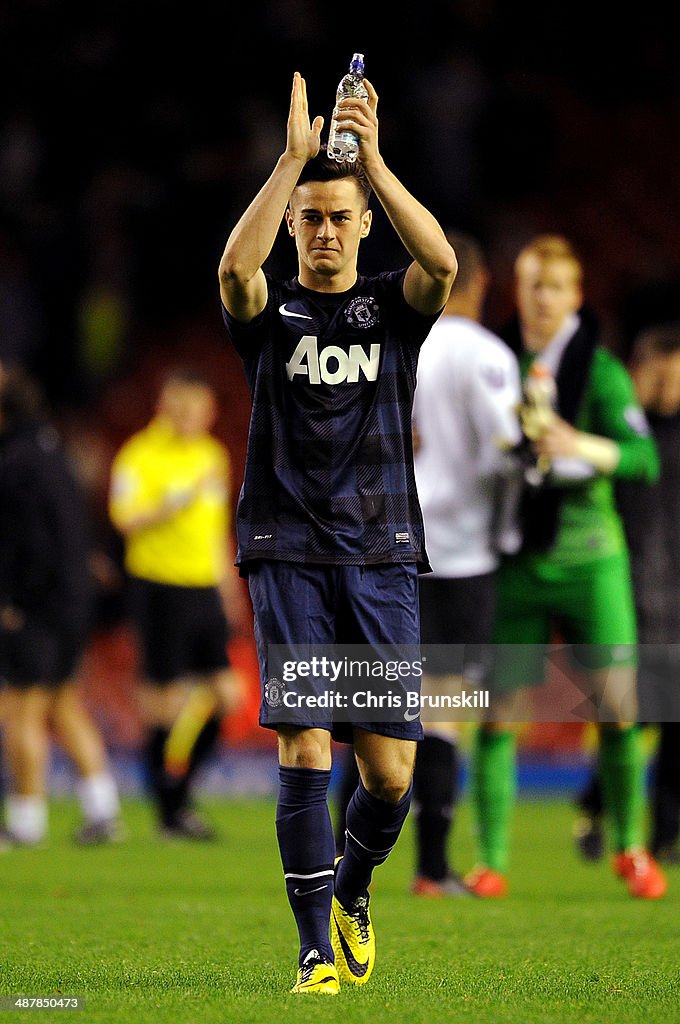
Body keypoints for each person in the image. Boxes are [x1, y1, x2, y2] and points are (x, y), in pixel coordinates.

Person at [218, 71, 457, 994]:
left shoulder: (394, 311)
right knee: (306, 747)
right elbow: (233, 273)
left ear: (361, 227)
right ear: (292, 225)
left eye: (336, 217)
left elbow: (442, 268)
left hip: (384, 554)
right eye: (307, 217)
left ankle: (354, 890)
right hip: (287, 554)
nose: (322, 231)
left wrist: (379, 166)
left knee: (392, 774)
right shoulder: (268, 315)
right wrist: (288, 162)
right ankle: (315, 950)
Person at [465, 234, 667, 900]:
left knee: (619, 711)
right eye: (532, 286)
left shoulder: (602, 372)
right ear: (516, 291)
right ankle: (490, 860)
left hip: (590, 561)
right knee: (497, 717)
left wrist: (576, 443)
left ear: (575, 296)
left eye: (555, 287)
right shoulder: (496, 364)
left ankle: (630, 849)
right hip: (519, 559)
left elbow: (642, 461)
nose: (542, 299)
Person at [407, 230, 523, 897]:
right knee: (445, 711)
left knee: (374, 702)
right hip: (465, 556)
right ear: (478, 282)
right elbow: (512, 454)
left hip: (396, 547)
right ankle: (430, 868)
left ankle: (338, 855)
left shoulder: (400, 343)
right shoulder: (486, 355)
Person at [108, 367, 243, 840]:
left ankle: (180, 790)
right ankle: (171, 812)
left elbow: (215, 531)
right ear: (165, 405)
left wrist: (230, 592)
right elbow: (124, 519)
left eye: (199, 408)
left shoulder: (212, 456)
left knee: (228, 695)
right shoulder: (139, 455)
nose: (190, 416)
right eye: (181, 406)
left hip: (204, 587)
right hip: (158, 586)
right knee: (161, 705)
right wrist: (170, 504)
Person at [0, 364, 123, 848]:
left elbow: (23, 540)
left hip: (36, 604)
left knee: (21, 710)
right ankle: (102, 808)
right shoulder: (53, 451)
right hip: (73, 599)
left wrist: (10, 599)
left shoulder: (14, 461)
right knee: (64, 701)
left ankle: (26, 823)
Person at [574, 321, 680, 865]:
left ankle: (663, 838)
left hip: (673, 601)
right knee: (624, 717)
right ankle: (598, 809)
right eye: (658, 377)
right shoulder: (614, 439)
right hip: (623, 590)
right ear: (638, 374)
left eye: (675, 377)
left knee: (672, 726)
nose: (667, 389)